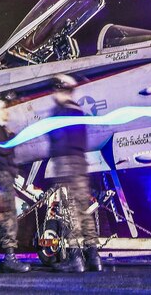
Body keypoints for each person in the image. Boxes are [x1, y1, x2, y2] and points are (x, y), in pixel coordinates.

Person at [48, 74, 102, 273]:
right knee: (84, 210)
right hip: (80, 163)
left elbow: (58, 141)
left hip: (66, 163)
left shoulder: (61, 113)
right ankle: (93, 256)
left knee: (68, 211)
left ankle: (75, 257)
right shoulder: (78, 111)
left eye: (55, 90)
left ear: (60, 90)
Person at [0, 95, 31, 274]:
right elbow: (3, 150)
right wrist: (12, 138)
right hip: (2, 178)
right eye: (1, 109)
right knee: (8, 218)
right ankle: (9, 258)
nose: (5, 112)